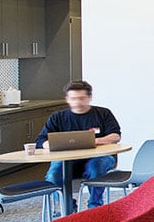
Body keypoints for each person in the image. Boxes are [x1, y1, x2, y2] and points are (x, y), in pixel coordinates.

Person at [36, 80, 122, 208]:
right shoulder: (57, 117)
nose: (77, 102)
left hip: (100, 157)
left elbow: (116, 136)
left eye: (82, 98)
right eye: (73, 99)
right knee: (53, 175)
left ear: (89, 97)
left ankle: (95, 206)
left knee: (95, 167)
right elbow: (41, 140)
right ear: (67, 99)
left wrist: (95, 141)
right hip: (67, 160)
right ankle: (68, 206)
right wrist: (51, 144)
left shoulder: (103, 113)